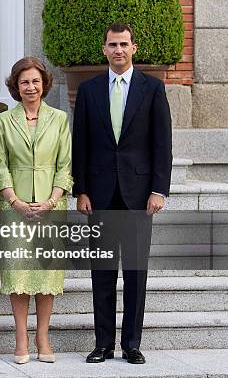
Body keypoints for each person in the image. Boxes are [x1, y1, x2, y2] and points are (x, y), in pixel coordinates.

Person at [72, 24, 172, 364]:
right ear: (104, 49)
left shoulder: (152, 88)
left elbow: (162, 144)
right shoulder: (88, 91)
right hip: (98, 195)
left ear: (134, 47)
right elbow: (80, 144)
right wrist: (80, 189)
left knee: (135, 274)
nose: (118, 50)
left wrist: (159, 189)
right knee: (101, 273)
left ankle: (131, 344)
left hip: (139, 196)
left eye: (124, 44)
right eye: (112, 44)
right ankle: (103, 344)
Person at [0, 56, 72, 364]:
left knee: (47, 273)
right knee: (18, 273)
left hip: (52, 206)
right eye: (24, 81)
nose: (30, 86)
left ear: (44, 84)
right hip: (15, 206)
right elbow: (1, 165)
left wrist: (52, 200)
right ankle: (21, 337)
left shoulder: (60, 119)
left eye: (35, 81)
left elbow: (65, 165)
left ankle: (43, 337)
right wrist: (15, 201)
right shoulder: (3, 120)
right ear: (16, 86)